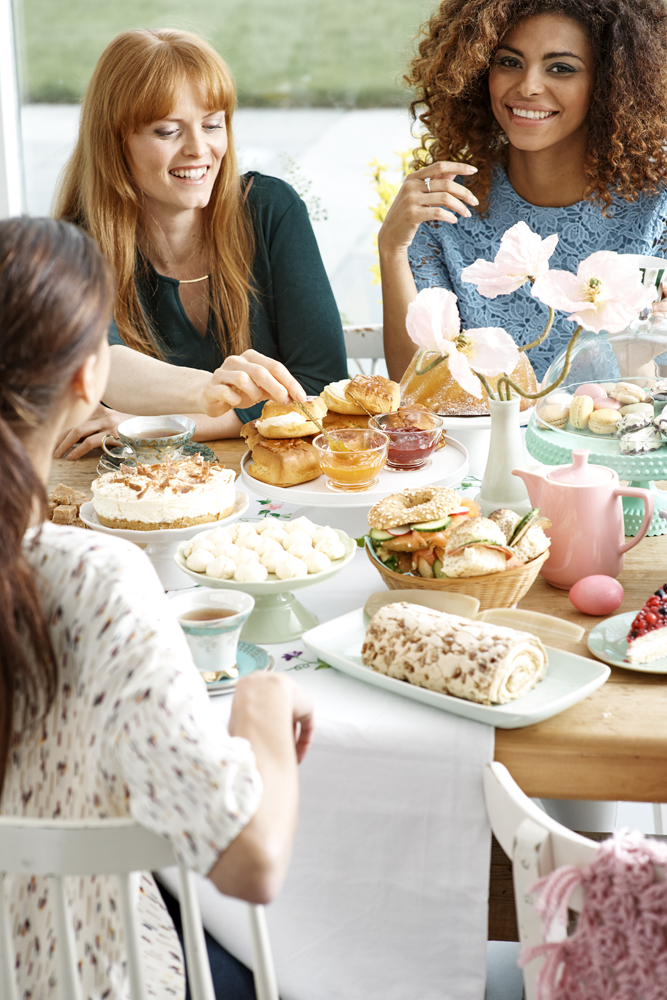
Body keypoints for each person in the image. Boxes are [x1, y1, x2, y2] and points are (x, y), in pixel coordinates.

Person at [0, 216, 314, 998]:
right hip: (85, 977)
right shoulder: (94, 578)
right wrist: (263, 704)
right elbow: (253, 861)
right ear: (87, 380)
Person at [54, 28, 348, 460]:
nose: (200, 149)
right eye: (167, 131)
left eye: (213, 125)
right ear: (115, 142)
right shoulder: (74, 245)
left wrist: (163, 426)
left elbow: (322, 385)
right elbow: (100, 364)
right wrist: (213, 391)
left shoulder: (271, 209)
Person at [379, 0, 667, 383]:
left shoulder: (657, 206)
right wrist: (392, 249)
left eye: (561, 68)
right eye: (509, 62)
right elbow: (415, 389)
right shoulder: (447, 205)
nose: (528, 86)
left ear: (611, 82)